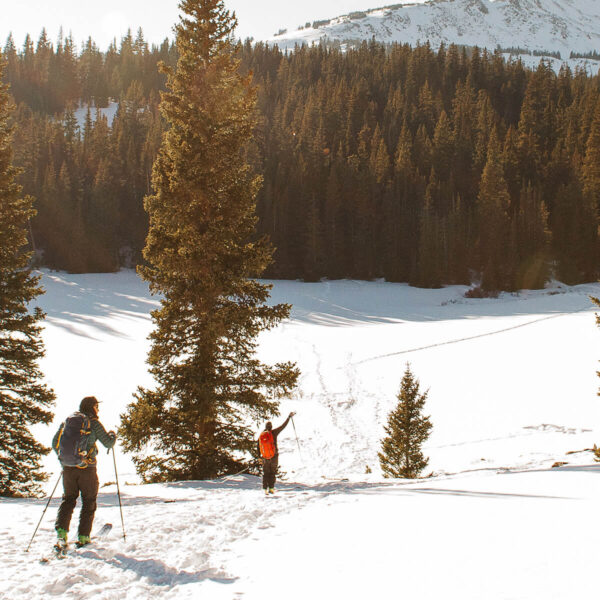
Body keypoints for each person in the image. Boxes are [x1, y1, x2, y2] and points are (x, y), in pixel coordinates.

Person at [52, 396, 116, 549]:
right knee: (88, 501)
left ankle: (61, 534)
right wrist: (113, 435)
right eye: (97, 406)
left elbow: (55, 443)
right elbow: (108, 442)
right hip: (87, 468)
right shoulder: (93, 423)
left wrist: (66, 459)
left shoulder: (68, 421)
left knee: (68, 499)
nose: (98, 409)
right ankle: (83, 537)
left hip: (68, 468)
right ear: (92, 407)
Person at [257, 412, 295, 495]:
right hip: (274, 456)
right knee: (272, 473)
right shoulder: (274, 433)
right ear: (271, 427)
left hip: (265, 457)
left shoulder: (261, 435)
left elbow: (258, 447)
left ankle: (265, 489)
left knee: (265, 473)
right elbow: (282, 426)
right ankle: (271, 488)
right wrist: (288, 417)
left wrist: (259, 457)